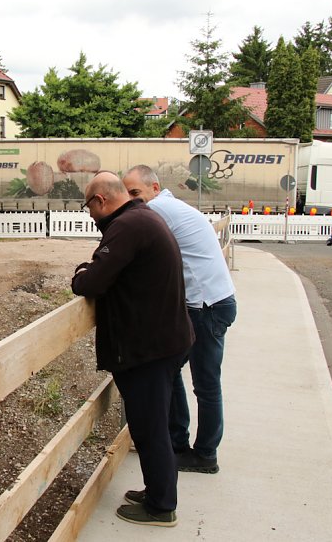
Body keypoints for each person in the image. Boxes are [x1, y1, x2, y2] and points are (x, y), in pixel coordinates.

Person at [72, 171, 193, 528]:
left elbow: (91, 281)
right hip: (164, 340)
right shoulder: (143, 218)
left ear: (101, 201)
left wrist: (82, 272)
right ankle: (157, 489)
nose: (91, 217)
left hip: (150, 348)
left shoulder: (127, 226)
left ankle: (161, 506)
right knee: (152, 423)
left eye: (89, 208)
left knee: (149, 426)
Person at [123, 165, 237, 474]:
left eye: (136, 194)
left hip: (207, 306)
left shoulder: (158, 210)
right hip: (209, 303)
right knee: (171, 370)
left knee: (205, 384)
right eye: (128, 195)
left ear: (155, 188)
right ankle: (177, 443)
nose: (133, 201)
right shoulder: (169, 207)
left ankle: (205, 455)